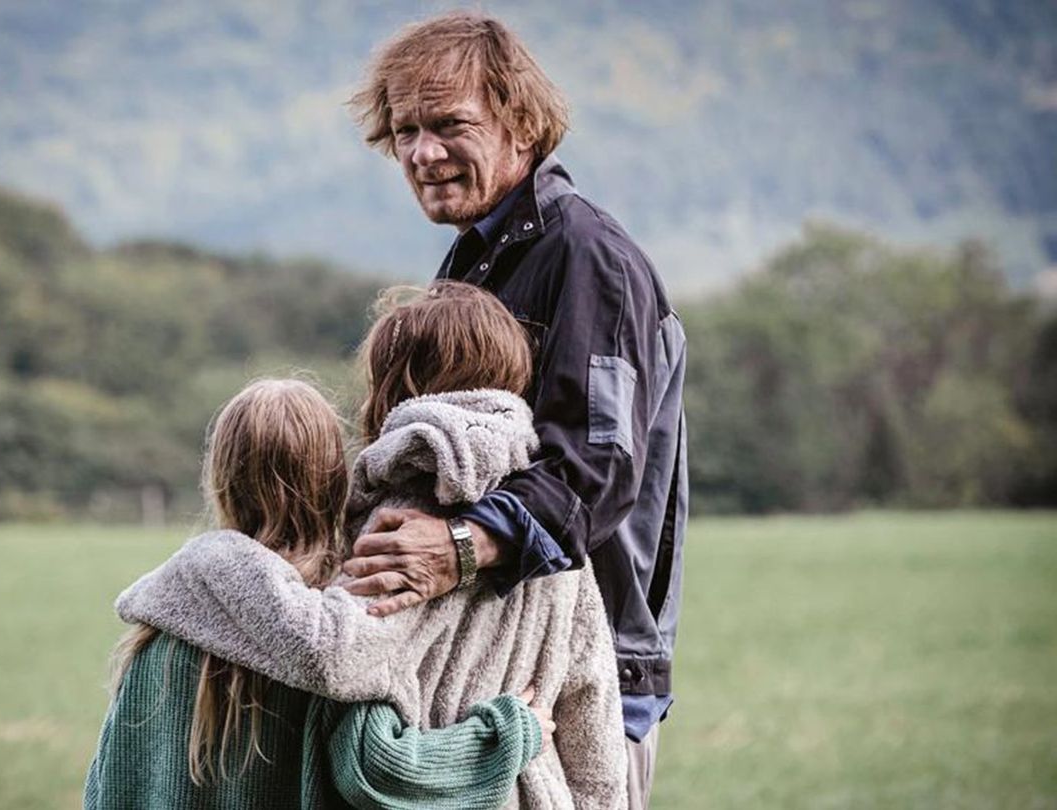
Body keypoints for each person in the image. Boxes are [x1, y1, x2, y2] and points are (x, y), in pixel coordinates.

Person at [341, 12, 689, 808]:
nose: (423, 153)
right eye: (405, 131)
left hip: (582, 677)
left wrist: (459, 546)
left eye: (449, 125)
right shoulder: (479, 253)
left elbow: (594, 472)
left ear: (521, 120)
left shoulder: (587, 258)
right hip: (493, 664)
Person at [119, 283, 629, 808]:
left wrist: (207, 558)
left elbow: (351, 705)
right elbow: (596, 737)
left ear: (396, 382)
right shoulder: (548, 533)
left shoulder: (397, 526)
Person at [84, 378, 552, 810]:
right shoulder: (336, 632)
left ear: (221, 479)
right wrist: (511, 732)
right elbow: (385, 772)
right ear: (334, 481)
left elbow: (107, 791)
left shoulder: (152, 640)